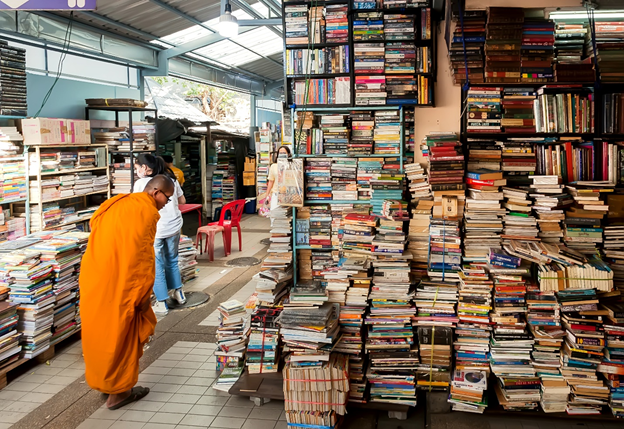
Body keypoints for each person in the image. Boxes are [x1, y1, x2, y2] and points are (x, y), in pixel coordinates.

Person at [80, 175, 174, 410]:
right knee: (122, 337)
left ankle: (106, 384)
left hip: (95, 277)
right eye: (167, 198)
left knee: (100, 335)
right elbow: (140, 259)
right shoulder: (146, 214)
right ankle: (119, 393)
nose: (167, 203)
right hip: (120, 283)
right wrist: (142, 296)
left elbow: (97, 226)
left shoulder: (117, 202)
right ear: (155, 192)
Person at [134, 154, 186, 315]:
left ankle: (162, 302)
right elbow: (182, 201)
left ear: (144, 168)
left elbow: (138, 207)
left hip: (156, 229)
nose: (136, 171)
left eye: (136, 168)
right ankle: (179, 294)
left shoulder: (142, 184)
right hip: (175, 225)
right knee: (172, 260)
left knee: (156, 265)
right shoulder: (171, 179)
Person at [263, 145, 291, 211]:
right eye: (280, 153)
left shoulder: (291, 165)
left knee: (286, 215)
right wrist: (267, 195)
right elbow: (271, 181)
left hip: (288, 194)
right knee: (274, 214)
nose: (282, 155)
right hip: (276, 194)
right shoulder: (274, 166)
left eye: (284, 153)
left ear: (288, 154)